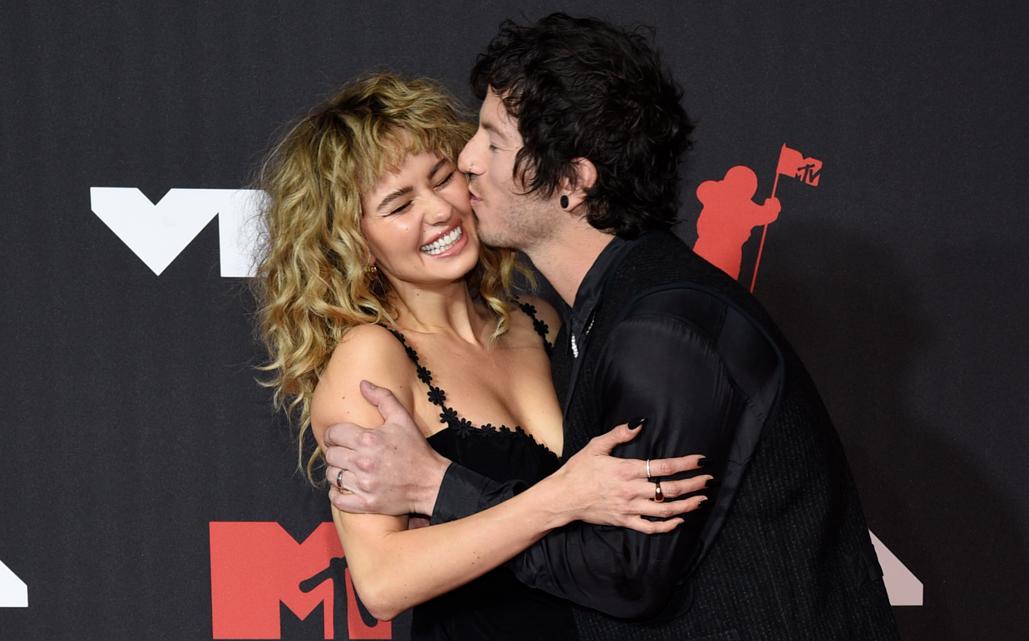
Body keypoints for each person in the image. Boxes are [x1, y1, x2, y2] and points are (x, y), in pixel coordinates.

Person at [323, 13, 901, 641]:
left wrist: (443, 487)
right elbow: (385, 580)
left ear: (572, 182)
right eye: (398, 204)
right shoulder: (596, 318)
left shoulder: (648, 328)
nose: (465, 164)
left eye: (491, 143)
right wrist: (545, 497)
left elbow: (629, 569)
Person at [254, 72, 708, 640]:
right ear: (354, 242)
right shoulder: (370, 359)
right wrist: (560, 499)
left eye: (442, 178)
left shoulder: (539, 319)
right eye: (399, 205)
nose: (439, 210)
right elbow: (382, 582)